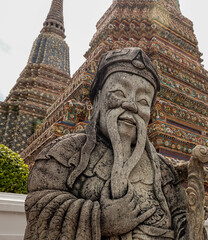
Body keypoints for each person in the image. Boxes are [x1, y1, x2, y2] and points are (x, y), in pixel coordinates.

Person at [24, 47, 188, 240]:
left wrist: (189, 223)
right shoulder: (66, 152)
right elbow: (38, 206)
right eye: (119, 92)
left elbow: (181, 214)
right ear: (97, 99)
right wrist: (100, 220)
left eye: (143, 101)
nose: (131, 105)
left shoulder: (163, 169)